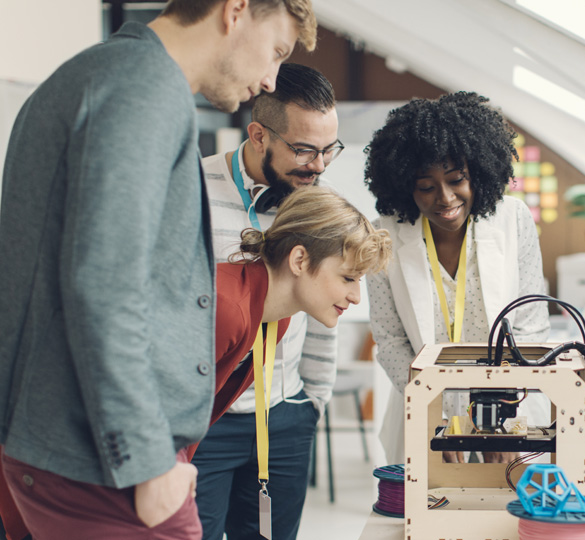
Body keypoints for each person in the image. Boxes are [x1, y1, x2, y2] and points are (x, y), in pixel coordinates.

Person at [0, 1, 317, 538]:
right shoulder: (143, 90)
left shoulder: (95, 73)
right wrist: (149, 461)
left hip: (64, 442)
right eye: (276, 51)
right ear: (236, 11)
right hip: (103, 460)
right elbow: (105, 286)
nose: (270, 78)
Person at [195, 62, 342, 540]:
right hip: (206, 420)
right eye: (304, 150)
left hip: (284, 416)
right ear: (259, 135)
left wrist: (312, 402)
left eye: (328, 149)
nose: (319, 166)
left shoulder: (318, 201)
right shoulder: (192, 189)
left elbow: (325, 306)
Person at [364, 92, 550, 465]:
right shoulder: (383, 234)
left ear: (477, 173)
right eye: (426, 187)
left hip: (508, 409)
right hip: (423, 411)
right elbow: (391, 340)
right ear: (404, 185)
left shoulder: (513, 220)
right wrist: (430, 411)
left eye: (456, 180)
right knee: (429, 498)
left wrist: (499, 414)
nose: (445, 198)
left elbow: (530, 328)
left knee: (509, 500)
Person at [205, 186, 390, 532]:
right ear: (300, 260)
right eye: (348, 278)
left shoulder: (278, 315)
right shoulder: (228, 309)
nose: (355, 296)